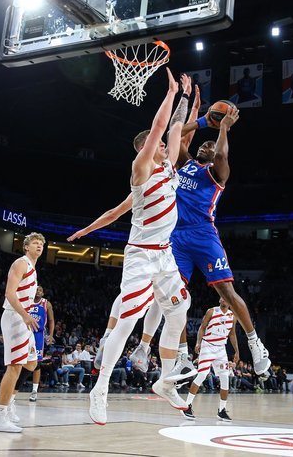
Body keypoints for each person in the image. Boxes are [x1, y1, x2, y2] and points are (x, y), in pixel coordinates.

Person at [71, 86, 271, 380]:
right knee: (168, 297)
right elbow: (177, 134)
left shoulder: (215, 174)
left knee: (226, 291)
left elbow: (222, 156)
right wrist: (202, 119)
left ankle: (255, 345)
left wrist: (223, 129)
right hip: (175, 237)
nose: (204, 147)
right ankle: (176, 355)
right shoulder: (184, 167)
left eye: (209, 147)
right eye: (202, 146)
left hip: (203, 235)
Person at [88, 68, 193, 426]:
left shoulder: (168, 170)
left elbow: (176, 128)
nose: (166, 147)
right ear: (148, 150)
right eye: (160, 145)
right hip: (140, 256)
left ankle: (164, 380)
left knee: (181, 307)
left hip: (163, 254)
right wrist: (168, 94)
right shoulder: (141, 170)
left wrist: (185, 98)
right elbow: (163, 127)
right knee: (129, 320)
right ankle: (100, 388)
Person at [0, 232, 43, 433]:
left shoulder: (33, 267)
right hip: (15, 317)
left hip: (23, 318)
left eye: (41, 244)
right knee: (14, 367)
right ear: (26, 247)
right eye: (35, 243)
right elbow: (9, 294)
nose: (39, 246)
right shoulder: (21, 263)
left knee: (31, 363)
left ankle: (9, 402)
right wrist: (26, 315)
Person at [183, 298, 239, 421]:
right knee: (202, 374)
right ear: (219, 299)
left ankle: (222, 410)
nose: (224, 299)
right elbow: (202, 328)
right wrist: (198, 343)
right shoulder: (211, 311)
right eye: (222, 297)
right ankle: (186, 406)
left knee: (225, 378)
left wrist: (237, 351)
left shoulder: (232, 317)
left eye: (227, 298)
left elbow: (232, 334)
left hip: (221, 350)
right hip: (207, 346)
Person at [29, 286, 55, 401]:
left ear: (43, 293)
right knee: (19, 361)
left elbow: (51, 320)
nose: (38, 292)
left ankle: (34, 390)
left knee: (37, 363)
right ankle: (14, 388)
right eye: (36, 289)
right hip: (26, 333)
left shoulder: (46, 303)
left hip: (38, 335)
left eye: (40, 290)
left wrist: (50, 335)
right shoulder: (27, 301)